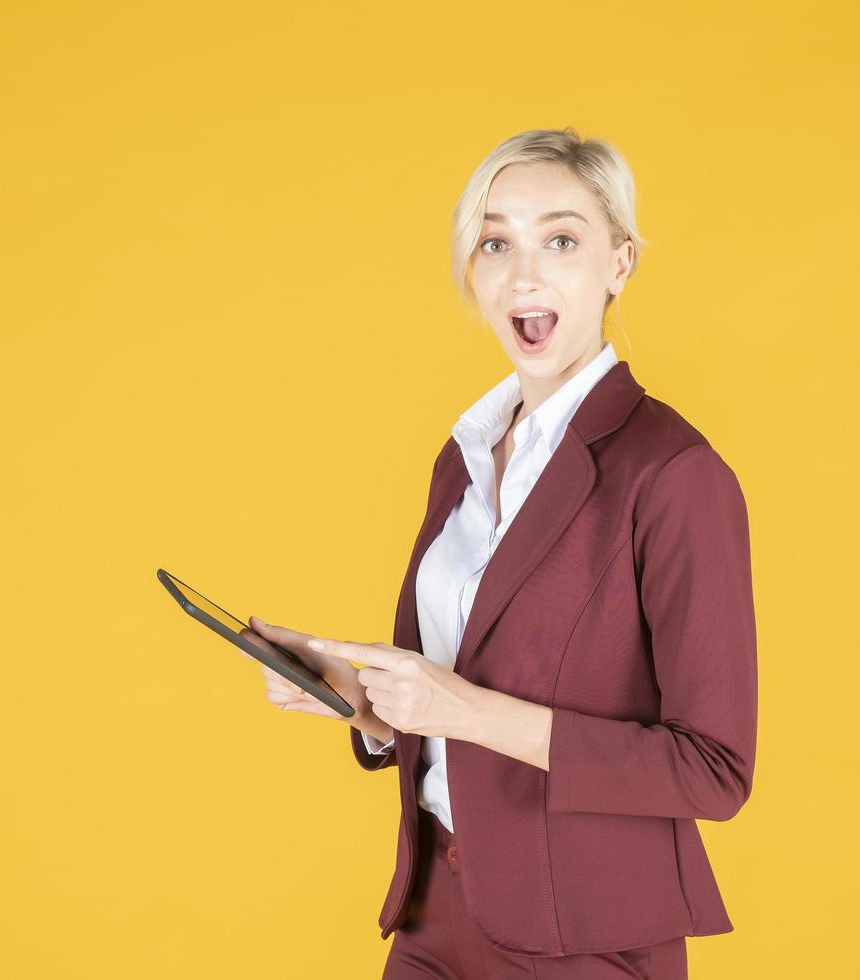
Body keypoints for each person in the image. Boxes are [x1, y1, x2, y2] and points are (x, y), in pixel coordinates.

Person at [241, 127, 758, 980]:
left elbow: (713, 771)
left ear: (618, 264)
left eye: (561, 239)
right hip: (434, 916)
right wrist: (361, 703)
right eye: (495, 243)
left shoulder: (672, 474)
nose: (525, 274)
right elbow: (449, 691)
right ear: (471, 273)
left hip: (584, 941)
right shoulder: (467, 456)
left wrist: (462, 711)